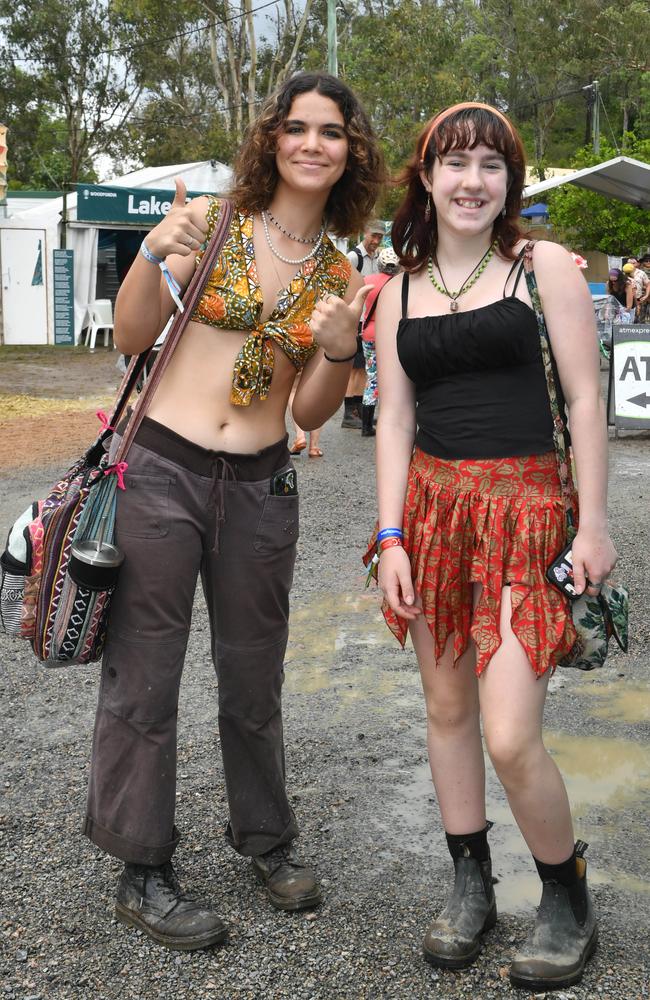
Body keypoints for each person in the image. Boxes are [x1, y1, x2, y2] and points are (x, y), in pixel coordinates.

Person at [83, 70, 383, 951]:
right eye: (296, 127)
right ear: (272, 139)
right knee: (146, 670)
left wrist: (336, 350)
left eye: (331, 132)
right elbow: (133, 336)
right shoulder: (212, 226)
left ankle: (267, 837)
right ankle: (143, 864)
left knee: (254, 678)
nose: (311, 144)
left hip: (259, 482)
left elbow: (312, 412)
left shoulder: (343, 270)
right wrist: (148, 250)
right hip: (163, 469)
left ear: (349, 152)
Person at [369, 102, 617, 991]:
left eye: (491, 165)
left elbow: (586, 401)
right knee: (446, 714)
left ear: (509, 182)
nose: (472, 180)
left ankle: (564, 891)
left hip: (525, 512)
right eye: (455, 162)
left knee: (510, 733)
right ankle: (470, 879)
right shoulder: (396, 288)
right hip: (433, 516)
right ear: (426, 177)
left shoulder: (541, 265)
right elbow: (393, 417)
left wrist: (592, 522)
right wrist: (390, 534)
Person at [341, 221, 385, 427]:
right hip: (355, 321)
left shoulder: (377, 258)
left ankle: (358, 411)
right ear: (364, 232)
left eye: (380, 237)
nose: (376, 241)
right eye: (373, 235)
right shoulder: (353, 257)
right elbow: (342, 287)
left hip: (366, 322)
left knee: (363, 369)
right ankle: (349, 414)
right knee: (354, 369)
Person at [359, 246, 401, 437]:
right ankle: (390, 421)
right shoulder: (400, 284)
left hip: (368, 333)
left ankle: (366, 424)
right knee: (393, 377)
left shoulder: (367, 281)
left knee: (372, 377)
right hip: (390, 335)